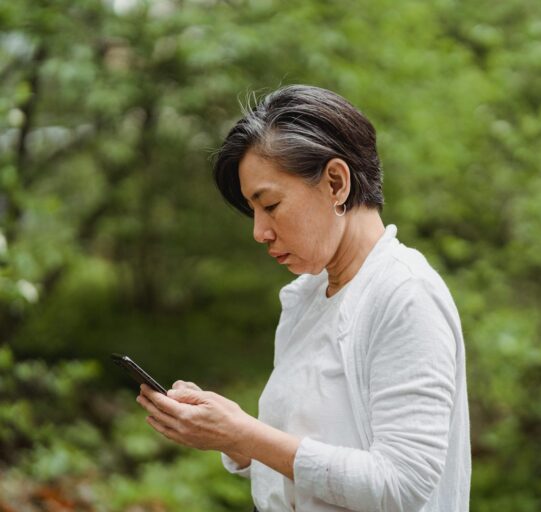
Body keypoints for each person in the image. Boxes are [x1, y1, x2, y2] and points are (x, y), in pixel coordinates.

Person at [136, 84, 471, 511]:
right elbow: (311, 460)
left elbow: (400, 485)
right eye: (252, 211)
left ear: (336, 182)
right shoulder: (308, 298)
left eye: (270, 205)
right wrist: (231, 438)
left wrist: (245, 434)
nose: (259, 232)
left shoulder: (404, 295)